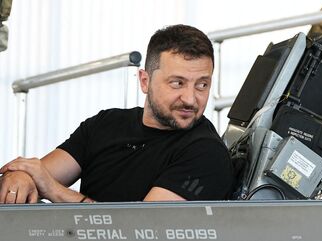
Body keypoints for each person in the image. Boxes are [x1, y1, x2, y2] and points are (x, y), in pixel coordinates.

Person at [0, 24, 234, 204]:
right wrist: (19, 177)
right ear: (145, 81)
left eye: (202, 85)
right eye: (177, 83)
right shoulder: (105, 125)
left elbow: (140, 231)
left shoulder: (206, 154)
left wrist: (53, 190)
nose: (191, 99)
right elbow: (37, 174)